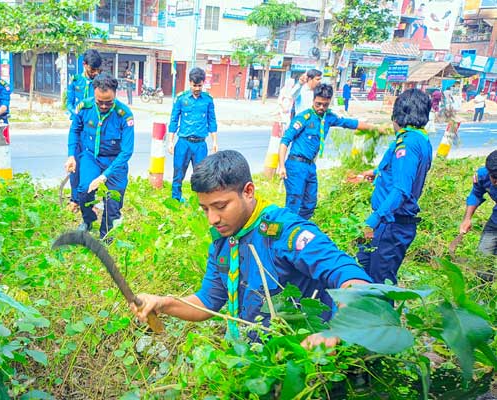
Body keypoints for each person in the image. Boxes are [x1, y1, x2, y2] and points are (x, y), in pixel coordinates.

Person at [130, 150, 372, 344]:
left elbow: (349, 275)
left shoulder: (284, 231)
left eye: (221, 206)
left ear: (248, 191)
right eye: (205, 209)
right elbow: (207, 301)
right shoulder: (223, 239)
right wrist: (162, 303)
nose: (212, 219)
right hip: (255, 359)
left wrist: (340, 329)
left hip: (303, 357)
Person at [356, 89, 433, 285]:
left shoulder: (407, 144)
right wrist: (376, 174)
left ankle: (380, 316)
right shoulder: (421, 139)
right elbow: (405, 172)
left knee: (379, 284)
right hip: (391, 223)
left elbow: (401, 189)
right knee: (364, 269)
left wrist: (373, 221)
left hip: (390, 224)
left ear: (398, 115)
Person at [278, 84, 376, 219]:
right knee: (294, 202)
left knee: (310, 204)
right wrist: (282, 166)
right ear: (313, 100)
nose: (321, 108)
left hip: (310, 166)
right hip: (296, 165)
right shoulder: (304, 117)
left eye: (325, 105)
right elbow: (285, 141)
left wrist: (375, 129)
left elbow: (350, 123)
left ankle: (300, 228)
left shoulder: (328, 117)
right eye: (318, 104)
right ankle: (287, 231)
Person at [65, 72, 134, 240]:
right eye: (100, 102)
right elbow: (75, 130)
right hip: (91, 157)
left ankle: (106, 235)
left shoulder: (124, 115)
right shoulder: (85, 107)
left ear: (115, 95)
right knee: (84, 189)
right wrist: (71, 155)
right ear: (94, 93)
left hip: (115, 161)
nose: (103, 106)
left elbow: (126, 152)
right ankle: (88, 220)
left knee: (113, 200)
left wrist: (104, 177)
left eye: (108, 102)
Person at [167, 67, 218, 202]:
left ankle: (199, 201)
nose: (197, 88)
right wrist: (170, 141)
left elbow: (212, 121)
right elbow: (173, 120)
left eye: (199, 85)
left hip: (200, 144)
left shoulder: (208, 100)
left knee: (201, 175)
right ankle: (175, 199)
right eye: (194, 85)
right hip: (183, 142)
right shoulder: (181, 99)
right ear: (190, 83)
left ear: (203, 83)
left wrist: (214, 142)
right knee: (178, 172)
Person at [66, 49, 102, 211]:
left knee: (93, 167)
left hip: (95, 132)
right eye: (92, 70)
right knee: (75, 166)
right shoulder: (75, 80)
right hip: (78, 130)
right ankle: (75, 199)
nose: (95, 73)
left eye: (97, 70)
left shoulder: (101, 82)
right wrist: (75, 114)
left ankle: (89, 201)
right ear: (84, 65)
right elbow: (69, 102)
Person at [459, 150, 497, 255]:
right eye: (494, 177)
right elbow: (476, 194)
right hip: (496, 221)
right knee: (483, 255)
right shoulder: (482, 176)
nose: (496, 182)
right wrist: (467, 219)